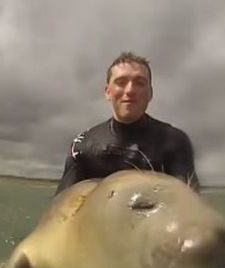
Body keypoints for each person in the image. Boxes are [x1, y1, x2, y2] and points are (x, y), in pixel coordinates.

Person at [55, 51, 199, 195]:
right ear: (107, 92)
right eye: (121, 82)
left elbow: (189, 204)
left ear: (150, 93)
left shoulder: (174, 141)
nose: (130, 90)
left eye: (139, 83)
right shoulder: (83, 145)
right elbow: (61, 208)